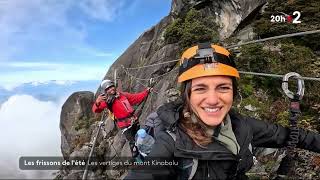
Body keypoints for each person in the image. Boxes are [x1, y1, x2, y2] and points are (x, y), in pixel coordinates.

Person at [125, 43, 320, 179]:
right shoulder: (170, 140)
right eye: (201, 88)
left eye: (223, 87)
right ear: (187, 95)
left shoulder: (241, 126)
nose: (213, 99)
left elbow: (293, 136)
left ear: (233, 92)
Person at [92, 79, 151, 154]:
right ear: (105, 91)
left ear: (114, 86)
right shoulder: (107, 101)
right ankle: (138, 159)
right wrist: (97, 102)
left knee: (141, 138)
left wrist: (146, 91)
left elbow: (136, 98)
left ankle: (146, 153)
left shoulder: (123, 95)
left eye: (111, 87)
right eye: (108, 89)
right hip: (125, 125)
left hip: (134, 121)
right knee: (133, 144)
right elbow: (96, 110)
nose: (111, 89)